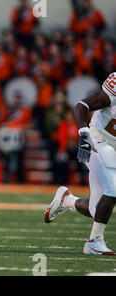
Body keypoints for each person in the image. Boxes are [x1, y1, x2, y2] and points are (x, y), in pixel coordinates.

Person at [44, 72, 116, 255]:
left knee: (96, 209)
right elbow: (82, 105)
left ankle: (66, 199)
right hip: (98, 140)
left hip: (113, 147)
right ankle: (93, 242)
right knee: (113, 189)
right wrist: (84, 134)